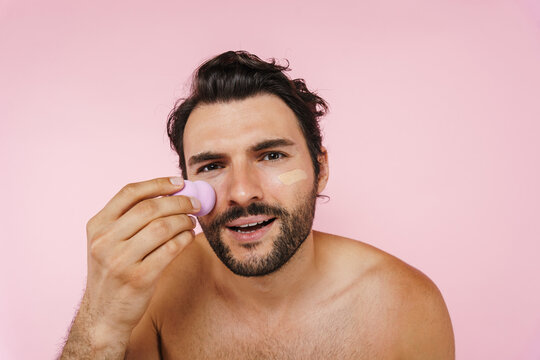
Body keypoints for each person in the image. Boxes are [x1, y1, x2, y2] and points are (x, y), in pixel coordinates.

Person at [60, 50, 455, 359]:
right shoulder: (152, 293)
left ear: (320, 168)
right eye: (213, 165)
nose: (242, 192)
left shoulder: (404, 305)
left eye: (271, 156)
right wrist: (100, 324)